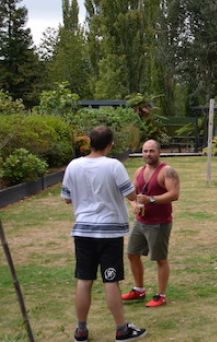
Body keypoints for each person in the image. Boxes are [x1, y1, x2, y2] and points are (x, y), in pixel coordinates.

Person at [61, 125, 147, 341]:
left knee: (84, 279)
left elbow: (67, 198)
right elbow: (130, 195)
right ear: (110, 144)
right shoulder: (113, 166)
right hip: (109, 233)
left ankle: (81, 329)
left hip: (83, 230)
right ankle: (121, 329)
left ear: (90, 142)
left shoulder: (74, 165)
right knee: (111, 280)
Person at [121, 140, 180, 308]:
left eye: (151, 151)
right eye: (145, 151)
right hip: (141, 221)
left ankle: (161, 295)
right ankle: (139, 289)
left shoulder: (167, 171)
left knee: (160, 258)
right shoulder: (140, 170)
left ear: (159, 152)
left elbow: (174, 194)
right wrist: (134, 205)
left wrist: (151, 200)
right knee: (132, 253)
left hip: (159, 223)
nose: (148, 154)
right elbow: (132, 192)